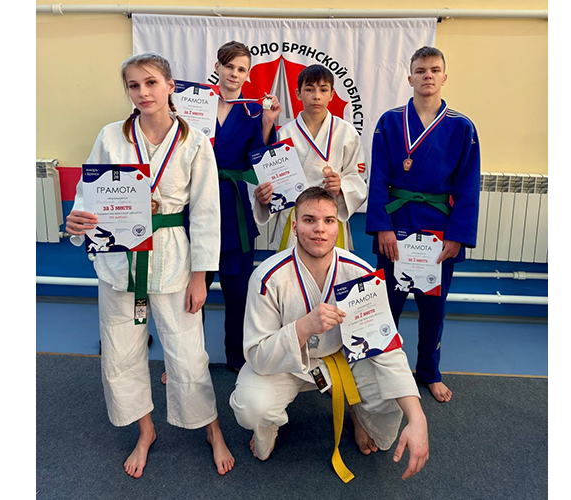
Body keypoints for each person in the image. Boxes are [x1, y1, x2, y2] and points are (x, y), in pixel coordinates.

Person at [64, 53, 235, 478]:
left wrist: (201, 276)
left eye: (151, 82)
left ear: (170, 86)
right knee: (121, 351)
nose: (143, 92)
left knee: (188, 354)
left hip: (174, 257)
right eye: (133, 85)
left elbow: (207, 214)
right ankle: (145, 430)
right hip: (120, 258)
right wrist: (77, 220)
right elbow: (88, 195)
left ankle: (211, 428)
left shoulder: (195, 142)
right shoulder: (111, 136)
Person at [230, 187, 430, 481]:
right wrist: (303, 327)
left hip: (343, 360)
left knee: (388, 413)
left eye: (328, 220)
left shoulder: (360, 273)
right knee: (252, 408)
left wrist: (418, 418)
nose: (319, 229)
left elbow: (386, 348)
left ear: (338, 226)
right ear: (294, 226)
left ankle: (358, 413)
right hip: (287, 364)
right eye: (309, 220)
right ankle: (267, 428)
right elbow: (257, 355)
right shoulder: (268, 277)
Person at [367, 46, 481, 403]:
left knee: (433, 308)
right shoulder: (390, 121)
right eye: (420, 70)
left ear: (444, 77)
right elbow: (378, 177)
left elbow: (467, 187)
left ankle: (429, 372)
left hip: (438, 229)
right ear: (410, 77)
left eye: (434, 70)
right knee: (387, 304)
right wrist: (383, 227)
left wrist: (457, 236)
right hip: (397, 222)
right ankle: (380, 369)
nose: (427, 76)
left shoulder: (461, 127)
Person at [206, 41, 281, 372]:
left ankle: (237, 357)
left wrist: (267, 123)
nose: (234, 74)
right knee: (190, 293)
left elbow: (259, 159)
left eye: (241, 69)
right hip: (199, 204)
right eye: (229, 66)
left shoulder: (253, 111)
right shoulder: (195, 104)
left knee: (238, 294)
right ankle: (186, 362)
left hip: (234, 207)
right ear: (218, 67)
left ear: (248, 75)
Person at [252, 64, 367, 251]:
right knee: (292, 267)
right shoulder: (284, 134)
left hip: (330, 214)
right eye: (309, 89)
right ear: (298, 94)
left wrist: (341, 187)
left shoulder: (347, 132)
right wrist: (265, 195)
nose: (317, 96)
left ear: (332, 94)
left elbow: (357, 177)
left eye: (323, 90)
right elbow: (272, 181)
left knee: (331, 268)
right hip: (295, 215)